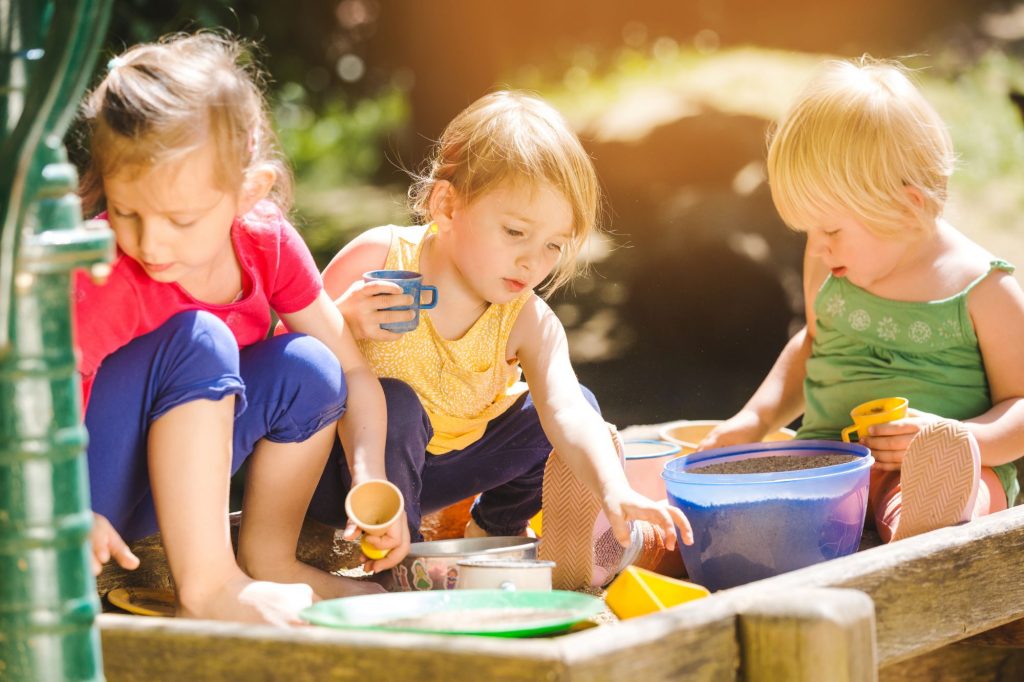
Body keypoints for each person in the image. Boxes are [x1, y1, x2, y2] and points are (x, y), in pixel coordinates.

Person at [75, 32, 391, 625]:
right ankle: (212, 588)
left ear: (249, 192)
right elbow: (30, 401)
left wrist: (372, 475)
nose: (150, 241)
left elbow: (350, 365)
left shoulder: (264, 243)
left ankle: (268, 562)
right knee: (201, 338)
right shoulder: (103, 271)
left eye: (181, 218)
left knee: (310, 369)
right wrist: (61, 509)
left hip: (167, 500)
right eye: (125, 211)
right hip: (82, 495)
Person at [306, 91, 692, 573]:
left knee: (574, 407)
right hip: (346, 476)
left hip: (444, 473)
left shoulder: (525, 318)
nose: (533, 261)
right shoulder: (378, 260)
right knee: (396, 403)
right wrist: (341, 319)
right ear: (447, 205)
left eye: (554, 244)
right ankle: (390, 567)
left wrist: (614, 488)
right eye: (515, 232)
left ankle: (494, 531)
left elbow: (567, 411)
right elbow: (288, 359)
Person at [700, 58, 1024, 541]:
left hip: (933, 468)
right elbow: (812, 344)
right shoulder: (830, 262)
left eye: (831, 228)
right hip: (826, 465)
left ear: (907, 207)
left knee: (946, 494)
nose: (819, 244)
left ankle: (929, 528)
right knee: (737, 513)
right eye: (810, 228)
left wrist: (955, 438)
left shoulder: (984, 291)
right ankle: (641, 540)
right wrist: (756, 418)